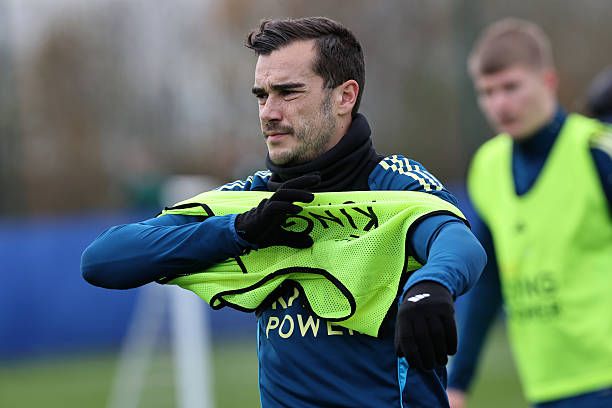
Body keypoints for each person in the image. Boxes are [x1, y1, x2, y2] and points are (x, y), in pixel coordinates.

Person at [82, 17, 486, 407]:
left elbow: (457, 241)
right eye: (262, 95)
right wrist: (239, 231)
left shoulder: (391, 182)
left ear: (345, 97)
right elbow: (103, 259)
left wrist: (431, 283)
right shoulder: (255, 199)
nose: (268, 112)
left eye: (288, 92)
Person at [447, 18, 612, 408]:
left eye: (511, 87)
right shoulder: (487, 166)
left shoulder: (595, 151)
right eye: (486, 92)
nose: (499, 104)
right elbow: (488, 280)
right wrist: (459, 382)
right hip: (544, 386)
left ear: (548, 81)